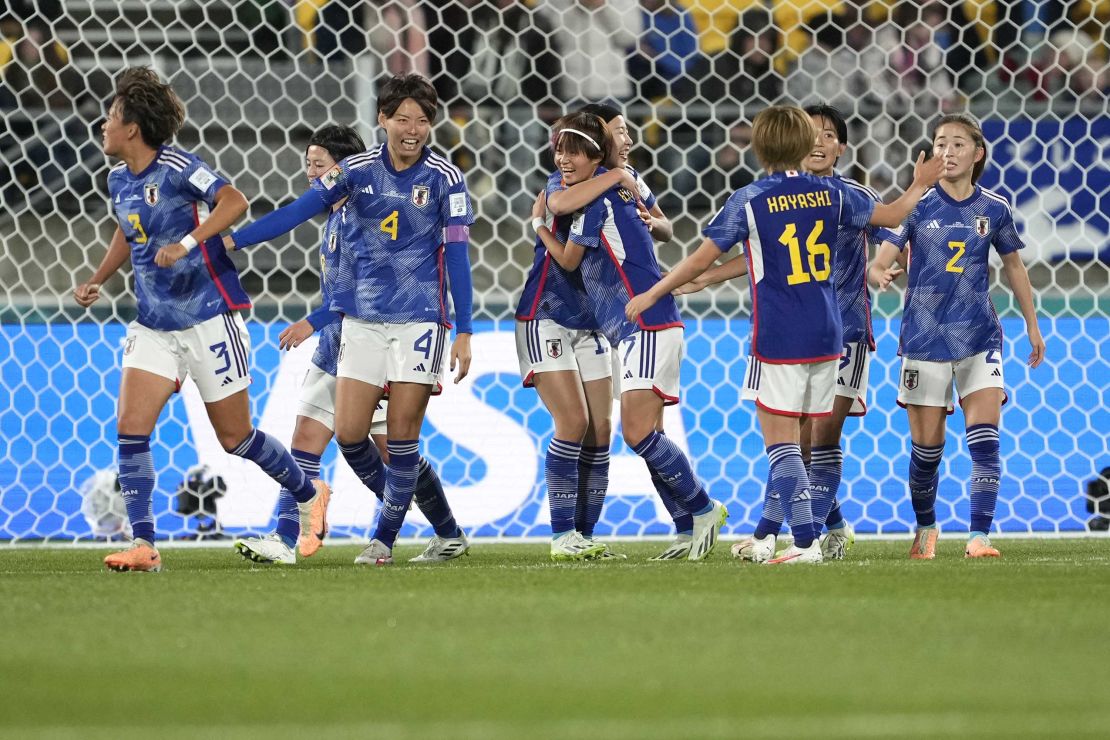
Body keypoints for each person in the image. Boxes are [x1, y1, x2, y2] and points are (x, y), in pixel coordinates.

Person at [627, 104, 942, 565]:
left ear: (759, 147)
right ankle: (791, 533)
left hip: (783, 331)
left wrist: (655, 290)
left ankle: (805, 541)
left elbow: (698, 258)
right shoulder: (833, 197)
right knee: (802, 441)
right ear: (799, 143)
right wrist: (920, 183)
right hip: (828, 331)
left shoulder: (752, 198)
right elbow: (893, 213)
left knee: (786, 444)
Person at [73, 67, 329, 572]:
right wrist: (99, 276)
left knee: (236, 439)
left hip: (210, 316)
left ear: (132, 128)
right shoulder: (118, 178)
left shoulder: (177, 166)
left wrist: (187, 244)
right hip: (153, 324)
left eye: (110, 116)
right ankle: (144, 545)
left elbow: (234, 200)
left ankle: (308, 492)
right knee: (130, 426)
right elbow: (128, 231)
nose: (102, 124)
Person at [227, 73, 474, 567]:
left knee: (402, 437)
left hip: (420, 320)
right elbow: (297, 211)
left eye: (423, 120)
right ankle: (439, 528)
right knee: (351, 433)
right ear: (382, 119)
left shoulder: (446, 179)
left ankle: (383, 540)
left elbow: (458, 259)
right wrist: (234, 241)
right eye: (403, 118)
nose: (413, 129)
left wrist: (463, 330)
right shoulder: (356, 171)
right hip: (360, 323)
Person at [674, 104, 882, 560]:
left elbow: (894, 236)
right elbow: (760, 251)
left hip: (845, 331)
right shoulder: (779, 198)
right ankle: (810, 530)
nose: (820, 142)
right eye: (812, 133)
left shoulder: (849, 195)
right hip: (787, 329)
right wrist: (708, 278)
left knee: (815, 439)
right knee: (790, 438)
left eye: (829, 135)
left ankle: (795, 535)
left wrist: (883, 266)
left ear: (841, 147)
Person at [535, 111, 728, 562]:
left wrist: (538, 226)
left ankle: (702, 508)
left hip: (645, 322)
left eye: (573, 151)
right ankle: (685, 528)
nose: (563, 159)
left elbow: (563, 238)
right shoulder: (613, 184)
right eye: (560, 150)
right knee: (650, 433)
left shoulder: (595, 199)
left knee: (638, 432)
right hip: (650, 323)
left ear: (594, 154)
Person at [869, 112, 1045, 560]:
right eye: (940, 143)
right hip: (924, 340)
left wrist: (1031, 323)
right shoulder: (916, 206)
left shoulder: (995, 209)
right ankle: (927, 527)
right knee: (927, 451)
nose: (946, 152)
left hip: (978, 336)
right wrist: (880, 272)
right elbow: (879, 259)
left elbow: (1014, 266)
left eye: (957, 144)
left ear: (977, 154)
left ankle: (979, 537)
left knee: (985, 437)